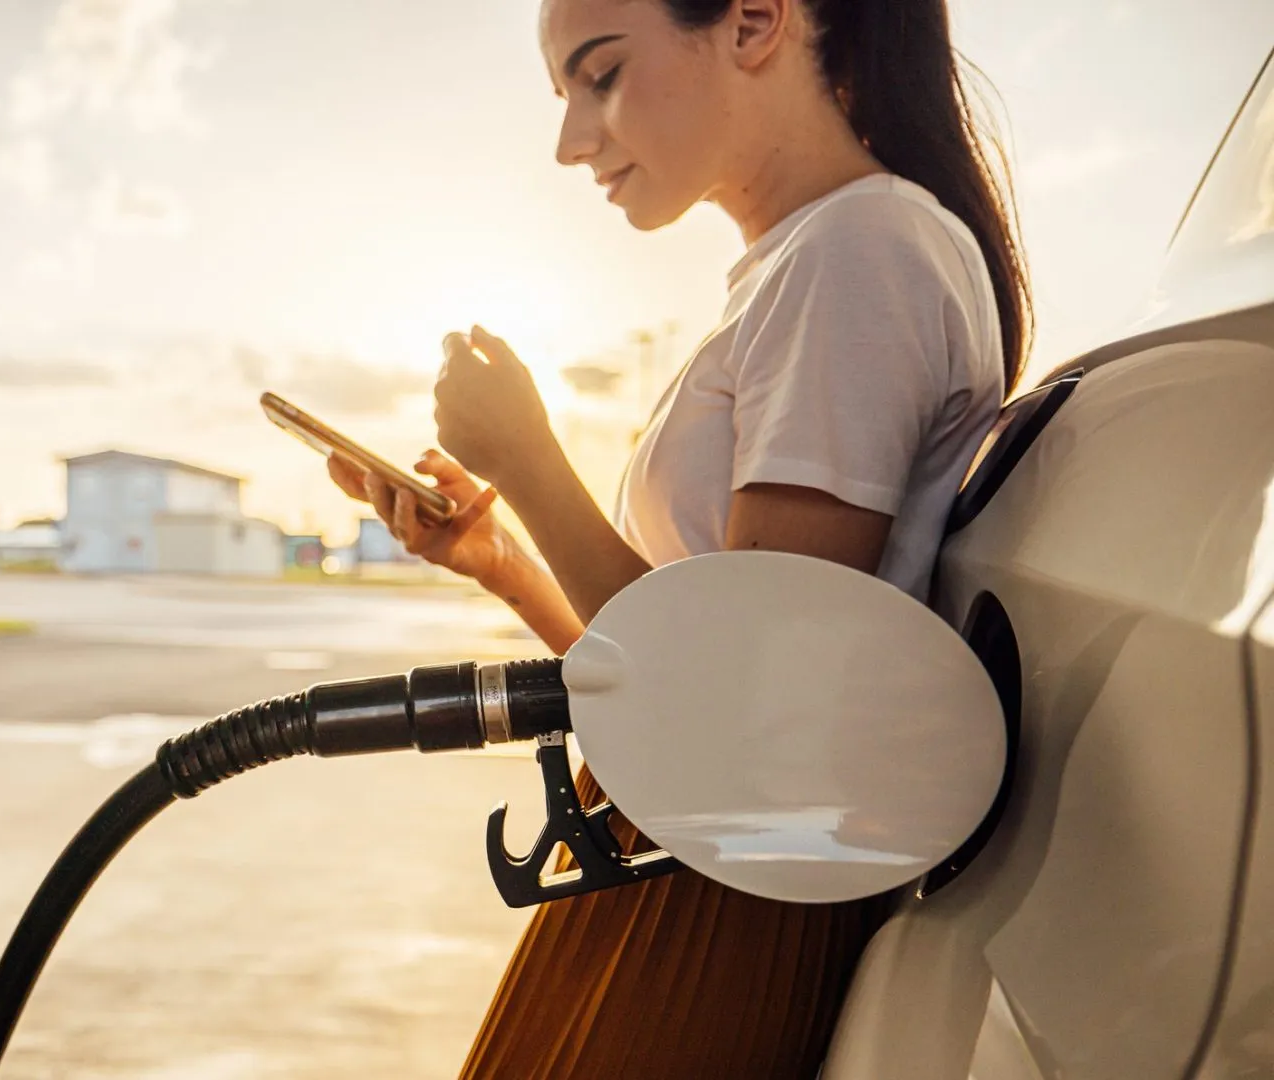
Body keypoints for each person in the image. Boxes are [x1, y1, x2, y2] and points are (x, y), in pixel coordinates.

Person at [326, 0, 1029, 1075]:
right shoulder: (812, 262)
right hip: (677, 847)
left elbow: (734, 696)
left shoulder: (860, 249)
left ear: (753, 23)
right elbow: (661, 677)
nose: (572, 142)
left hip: (717, 888)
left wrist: (529, 457)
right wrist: (507, 558)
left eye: (600, 76)